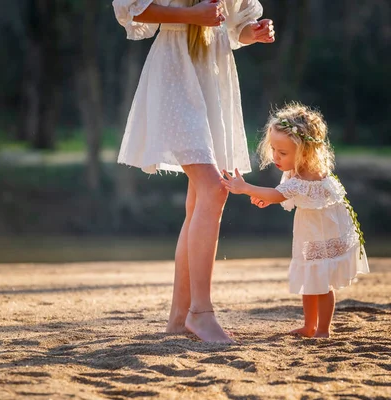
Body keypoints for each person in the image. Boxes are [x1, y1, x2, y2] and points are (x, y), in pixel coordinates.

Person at [112, 0, 275, 343]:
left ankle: (178, 317)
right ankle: (200, 312)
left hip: (212, 73)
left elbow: (234, 23)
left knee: (201, 198)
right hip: (173, 72)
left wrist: (253, 33)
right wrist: (191, 15)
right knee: (215, 189)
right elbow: (131, 9)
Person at [220, 102, 369, 338]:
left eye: (283, 153)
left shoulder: (308, 174)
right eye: (274, 150)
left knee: (322, 281)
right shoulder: (296, 167)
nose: (276, 157)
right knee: (309, 278)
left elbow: (281, 193)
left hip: (322, 231)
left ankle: (323, 329)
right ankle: (309, 326)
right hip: (309, 229)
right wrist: (266, 199)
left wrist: (246, 188)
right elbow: (282, 192)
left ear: (305, 152)